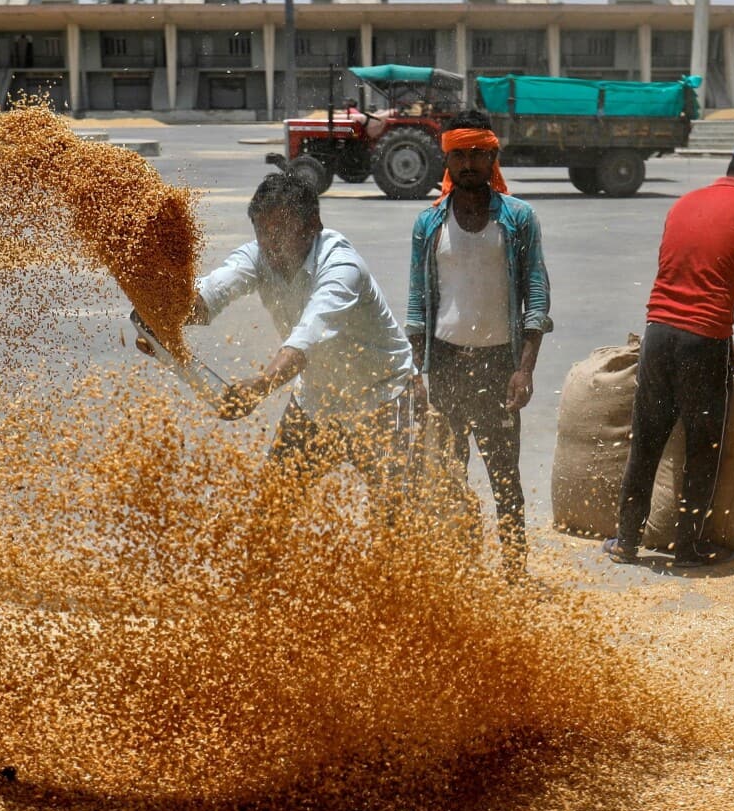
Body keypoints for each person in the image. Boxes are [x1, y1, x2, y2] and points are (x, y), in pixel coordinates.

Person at [602, 136, 734, 568]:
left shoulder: (684, 202)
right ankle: (690, 547)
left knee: (646, 441)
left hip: (657, 333)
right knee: (703, 446)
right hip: (704, 341)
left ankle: (626, 541)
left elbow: (682, 268)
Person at [173, 170, 416, 497]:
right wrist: (164, 311)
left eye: (281, 231)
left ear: (312, 225)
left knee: (395, 516)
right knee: (273, 507)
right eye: (262, 232)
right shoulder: (256, 257)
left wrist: (260, 386)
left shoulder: (342, 267)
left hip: (384, 395)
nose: (271, 244)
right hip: (317, 399)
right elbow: (211, 292)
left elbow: (307, 338)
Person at [404, 110, 551, 576]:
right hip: (445, 364)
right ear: (445, 158)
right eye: (459, 155)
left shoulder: (518, 219)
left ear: (493, 157)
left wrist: (524, 369)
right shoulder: (428, 225)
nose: (468, 163)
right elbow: (415, 305)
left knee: (505, 477)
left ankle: (514, 570)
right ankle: (457, 569)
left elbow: (537, 297)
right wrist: (416, 372)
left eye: (477, 155)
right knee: (447, 478)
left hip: (497, 366)